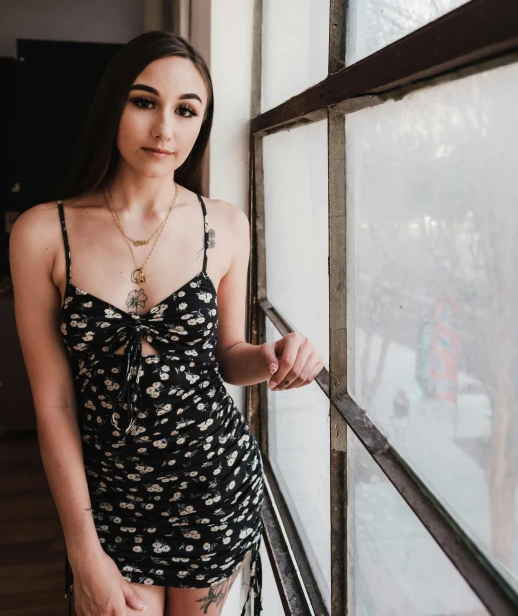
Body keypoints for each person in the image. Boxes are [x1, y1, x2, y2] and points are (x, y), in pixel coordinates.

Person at [9, 31, 325, 616]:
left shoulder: (224, 225)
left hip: (215, 485)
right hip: (108, 501)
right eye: (144, 101)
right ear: (113, 105)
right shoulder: (41, 233)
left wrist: (274, 355)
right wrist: (84, 554)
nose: (165, 131)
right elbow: (52, 404)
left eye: (186, 111)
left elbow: (228, 353)